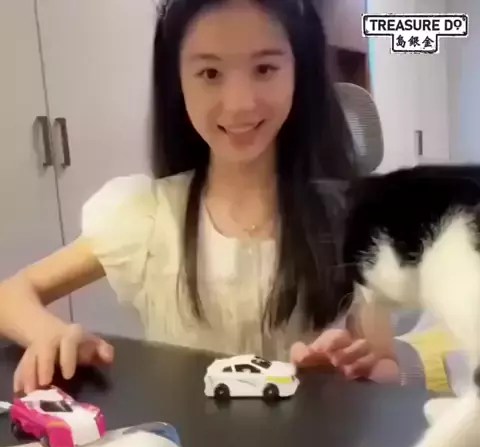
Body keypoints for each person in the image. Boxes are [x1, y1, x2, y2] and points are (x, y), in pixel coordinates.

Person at [0, 0, 401, 394]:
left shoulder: (351, 221)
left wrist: (351, 373)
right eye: (210, 73)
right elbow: (10, 295)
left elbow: (386, 366)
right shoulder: (148, 217)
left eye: (265, 68)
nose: (240, 104)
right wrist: (49, 334)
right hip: (180, 437)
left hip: (313, 436)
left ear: (300, 72)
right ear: (177, 82)